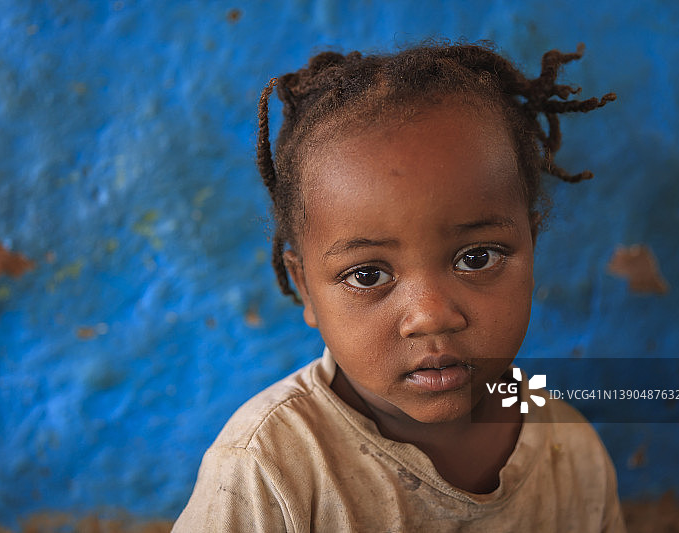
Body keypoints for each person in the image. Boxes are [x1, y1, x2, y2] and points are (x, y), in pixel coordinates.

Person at [173, 41, 624, 532]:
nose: (431, 314)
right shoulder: (268, 467)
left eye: (477, 258)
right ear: (305, 287)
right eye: (367, 275)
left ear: (531, 250)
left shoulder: (570, 449)